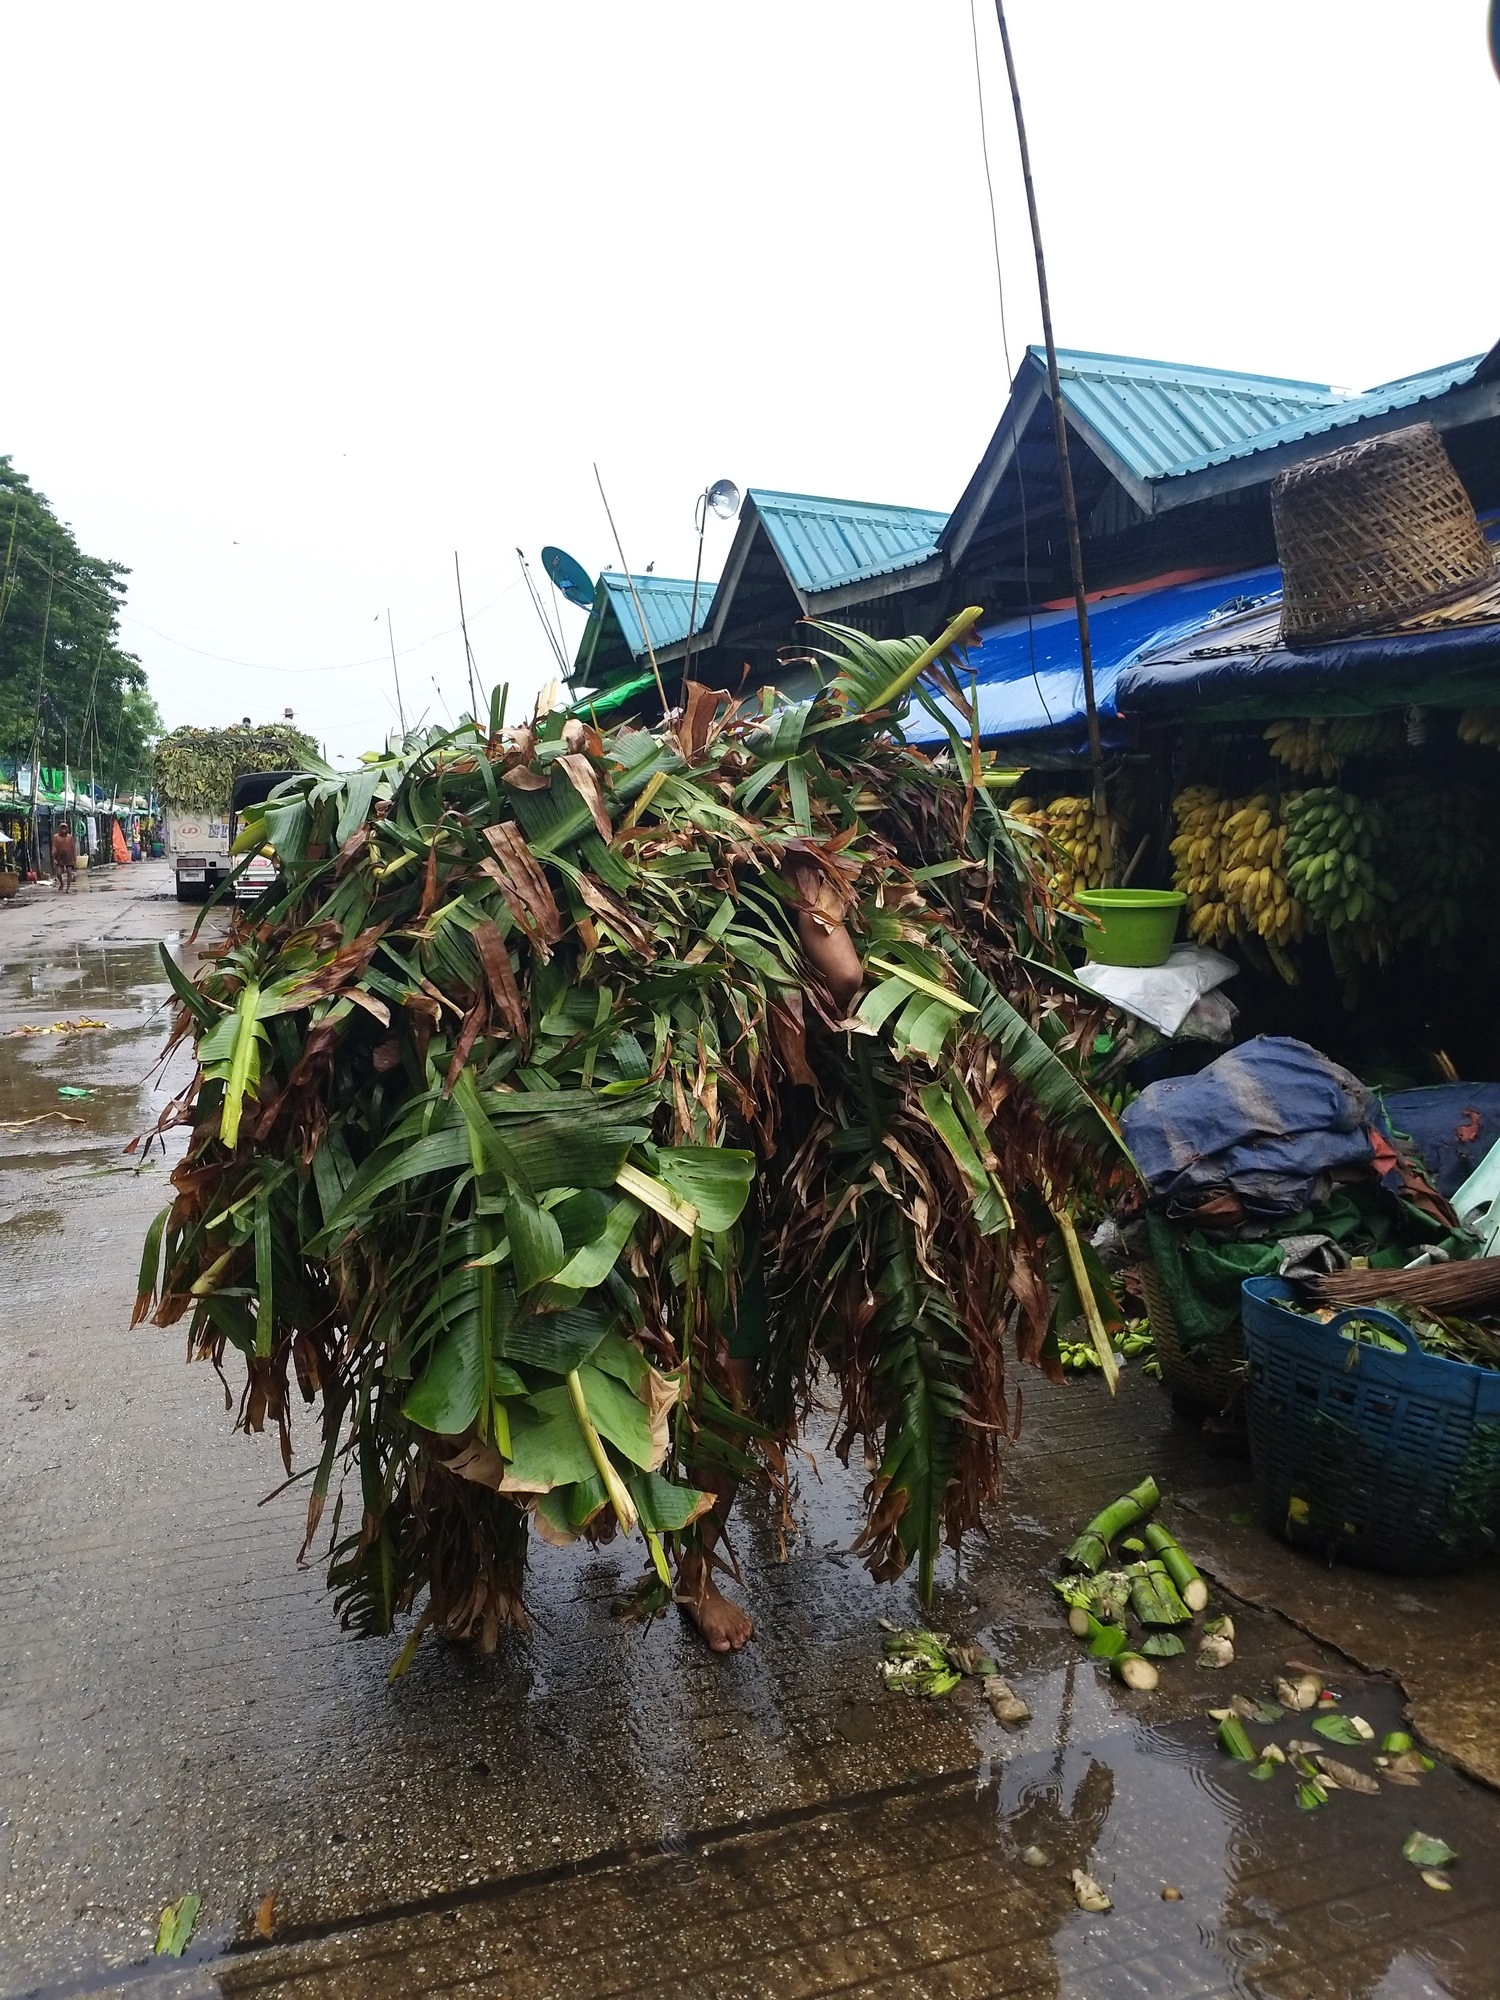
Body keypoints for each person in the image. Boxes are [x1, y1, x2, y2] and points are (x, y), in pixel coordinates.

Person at [51, 822, 77, 893]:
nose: (63, 830)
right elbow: (54, 847)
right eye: (62, 828)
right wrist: (54, 858)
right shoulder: (56, 837)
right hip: (60, 858)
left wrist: (74, 859)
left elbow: (73, 848)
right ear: (59, 829)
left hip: (69, 857)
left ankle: (68, 888)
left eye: (65, 828)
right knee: (59, 873)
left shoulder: (70, 837)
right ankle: (61, 884)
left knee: (69, 872)